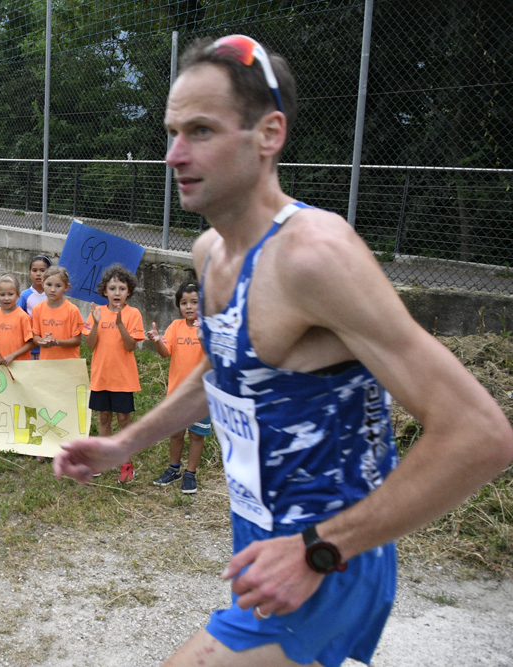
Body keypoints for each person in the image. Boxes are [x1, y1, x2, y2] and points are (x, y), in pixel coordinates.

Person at [53, 34, 513, 667]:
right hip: (264, 542)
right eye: (171, 132)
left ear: (269, 134)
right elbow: (225, 375)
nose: (175, 155)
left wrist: (317, 549)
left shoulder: (313, 256)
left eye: (201, 131)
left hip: (328, 559)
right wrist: (124, 443)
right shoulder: (209, 253)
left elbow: (480, 435)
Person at [82, 264, 144, 484]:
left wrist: (120, 325)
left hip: (123, 378)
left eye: (122, 288)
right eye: (112, 288)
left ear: (129, 292)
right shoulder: (97, 312)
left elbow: (130, 346)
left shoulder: (133, 314)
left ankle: (127, 463)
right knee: (104, 417)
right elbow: (89, 345)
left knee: (123, 419)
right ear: (104, 291)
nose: (117, 293)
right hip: (101, 376)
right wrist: (97, 324)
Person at [147, 281, 210, 493]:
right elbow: (166, 353)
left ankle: (190, 473)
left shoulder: (209, 328)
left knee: (196, 435)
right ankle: (174, 469)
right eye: (184, 302)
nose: (189, 307)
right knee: (176, 433)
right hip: (177, 394)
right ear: (178, 305)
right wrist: (157, 341)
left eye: (195, 302)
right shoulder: (175, 326)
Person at [31, 266, 82, 360]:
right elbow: (35, 337)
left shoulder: (72, 310)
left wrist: (56, 342)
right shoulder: (37, 309)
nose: (53, 289)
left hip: (69, 363)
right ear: (42, 284)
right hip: (46, 362)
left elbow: (77, 340)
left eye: (58, 286)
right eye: (49, 284)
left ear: (66, 287)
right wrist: (43, 341)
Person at [0, 274, 34, 366]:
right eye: (2, 295)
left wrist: (13, 355)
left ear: (18, 294)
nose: (6, 298)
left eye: (10, 294)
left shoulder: (23, 317)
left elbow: (31, 343)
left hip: (20, 365)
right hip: (1, 365)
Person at [17, 254, 51, 359]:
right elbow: (18, 318)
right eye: (34, 270)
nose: (38, 274)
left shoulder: (52, 294)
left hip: (50, 346)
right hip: (29, 347)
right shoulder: (24, 295)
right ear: (29, 273)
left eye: (42, 270)